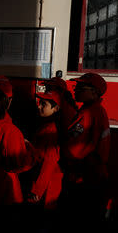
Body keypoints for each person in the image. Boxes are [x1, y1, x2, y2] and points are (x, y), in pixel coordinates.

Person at [0, 76, 34, 231]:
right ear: (8, 101)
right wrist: (31, 152)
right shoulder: (10, 130)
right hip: (6, 190)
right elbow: (18, 164)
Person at [59, 73, 111, 231]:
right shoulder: (98, 110)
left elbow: (73, 150)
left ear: (95, 92)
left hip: (83, 177)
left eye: (81, 87)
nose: (76, 90)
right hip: (94, 175)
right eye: (76, 87)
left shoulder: (87, 114)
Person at [25, 90, 64, 232]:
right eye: (39, 103)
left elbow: (49, 162)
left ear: (56, 108)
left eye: (44, 104)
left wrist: (37, 191)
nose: (39, 106)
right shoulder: (47, 125)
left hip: (46, 187)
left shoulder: (51, 131)